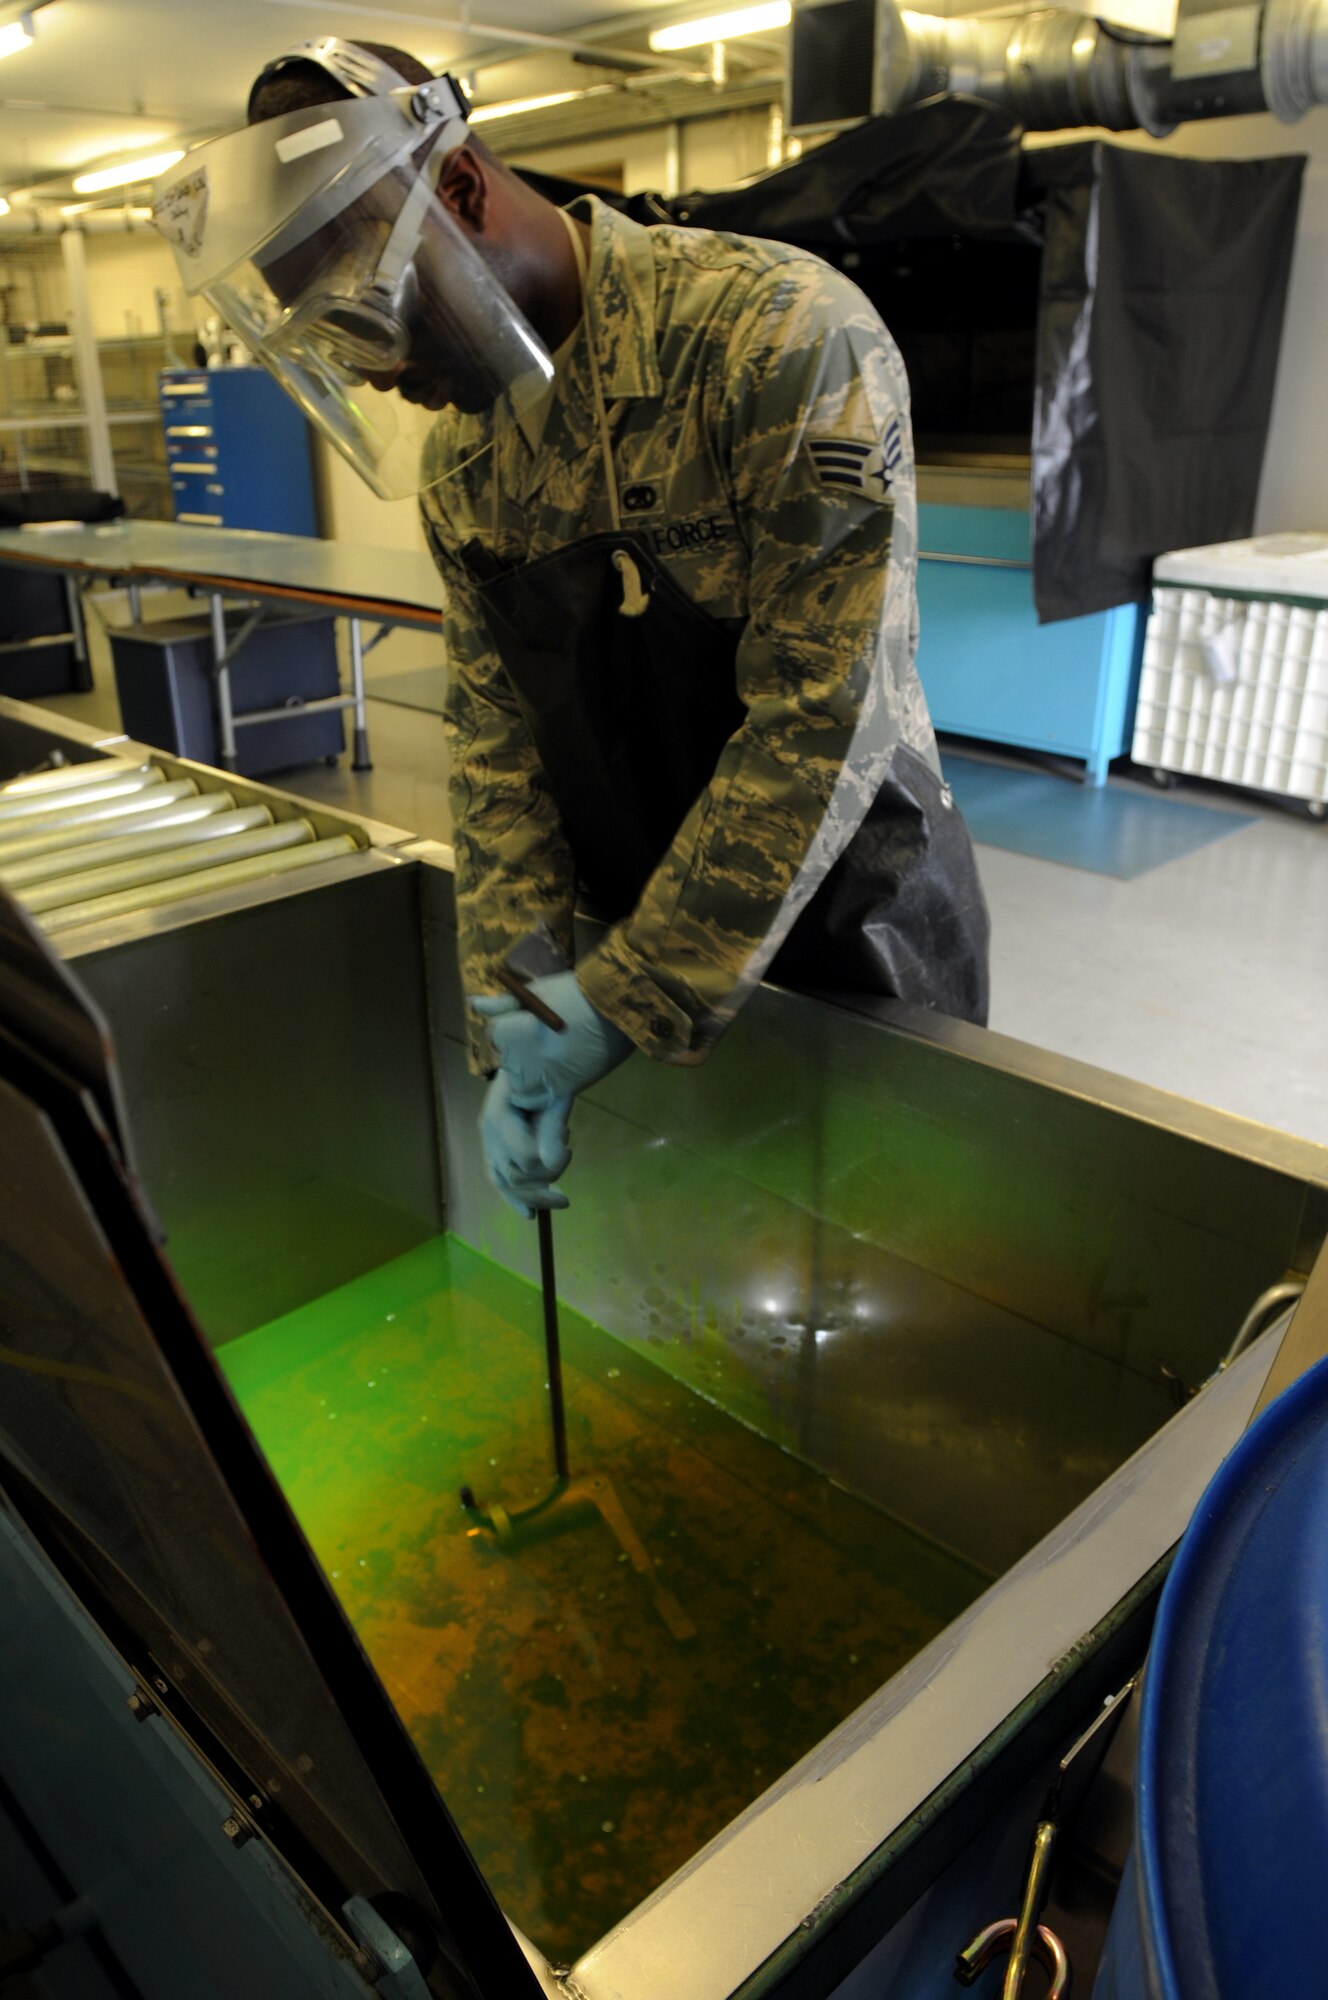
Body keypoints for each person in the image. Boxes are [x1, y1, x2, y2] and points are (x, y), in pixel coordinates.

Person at [152, 37, 990, 1219]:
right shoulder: (468, 456)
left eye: (376, 312)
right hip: (639, 916)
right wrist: (521, 1004)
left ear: (457, 190)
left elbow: (823, 715)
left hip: (846, 920)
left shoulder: (774, 337)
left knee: (898, 1237)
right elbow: (498, 752)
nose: (380, 370)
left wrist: (629, 1001)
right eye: (340, 346)